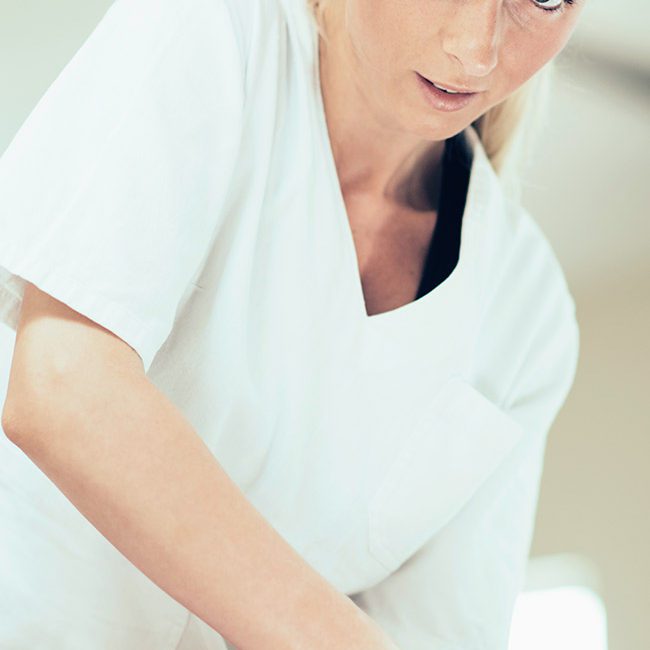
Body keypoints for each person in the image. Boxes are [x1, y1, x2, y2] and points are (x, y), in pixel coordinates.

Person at [0, 0, 586, 648]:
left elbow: (442, 634)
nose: (476, 50)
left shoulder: (529, 312)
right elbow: (63, 382)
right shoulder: (216, 29)